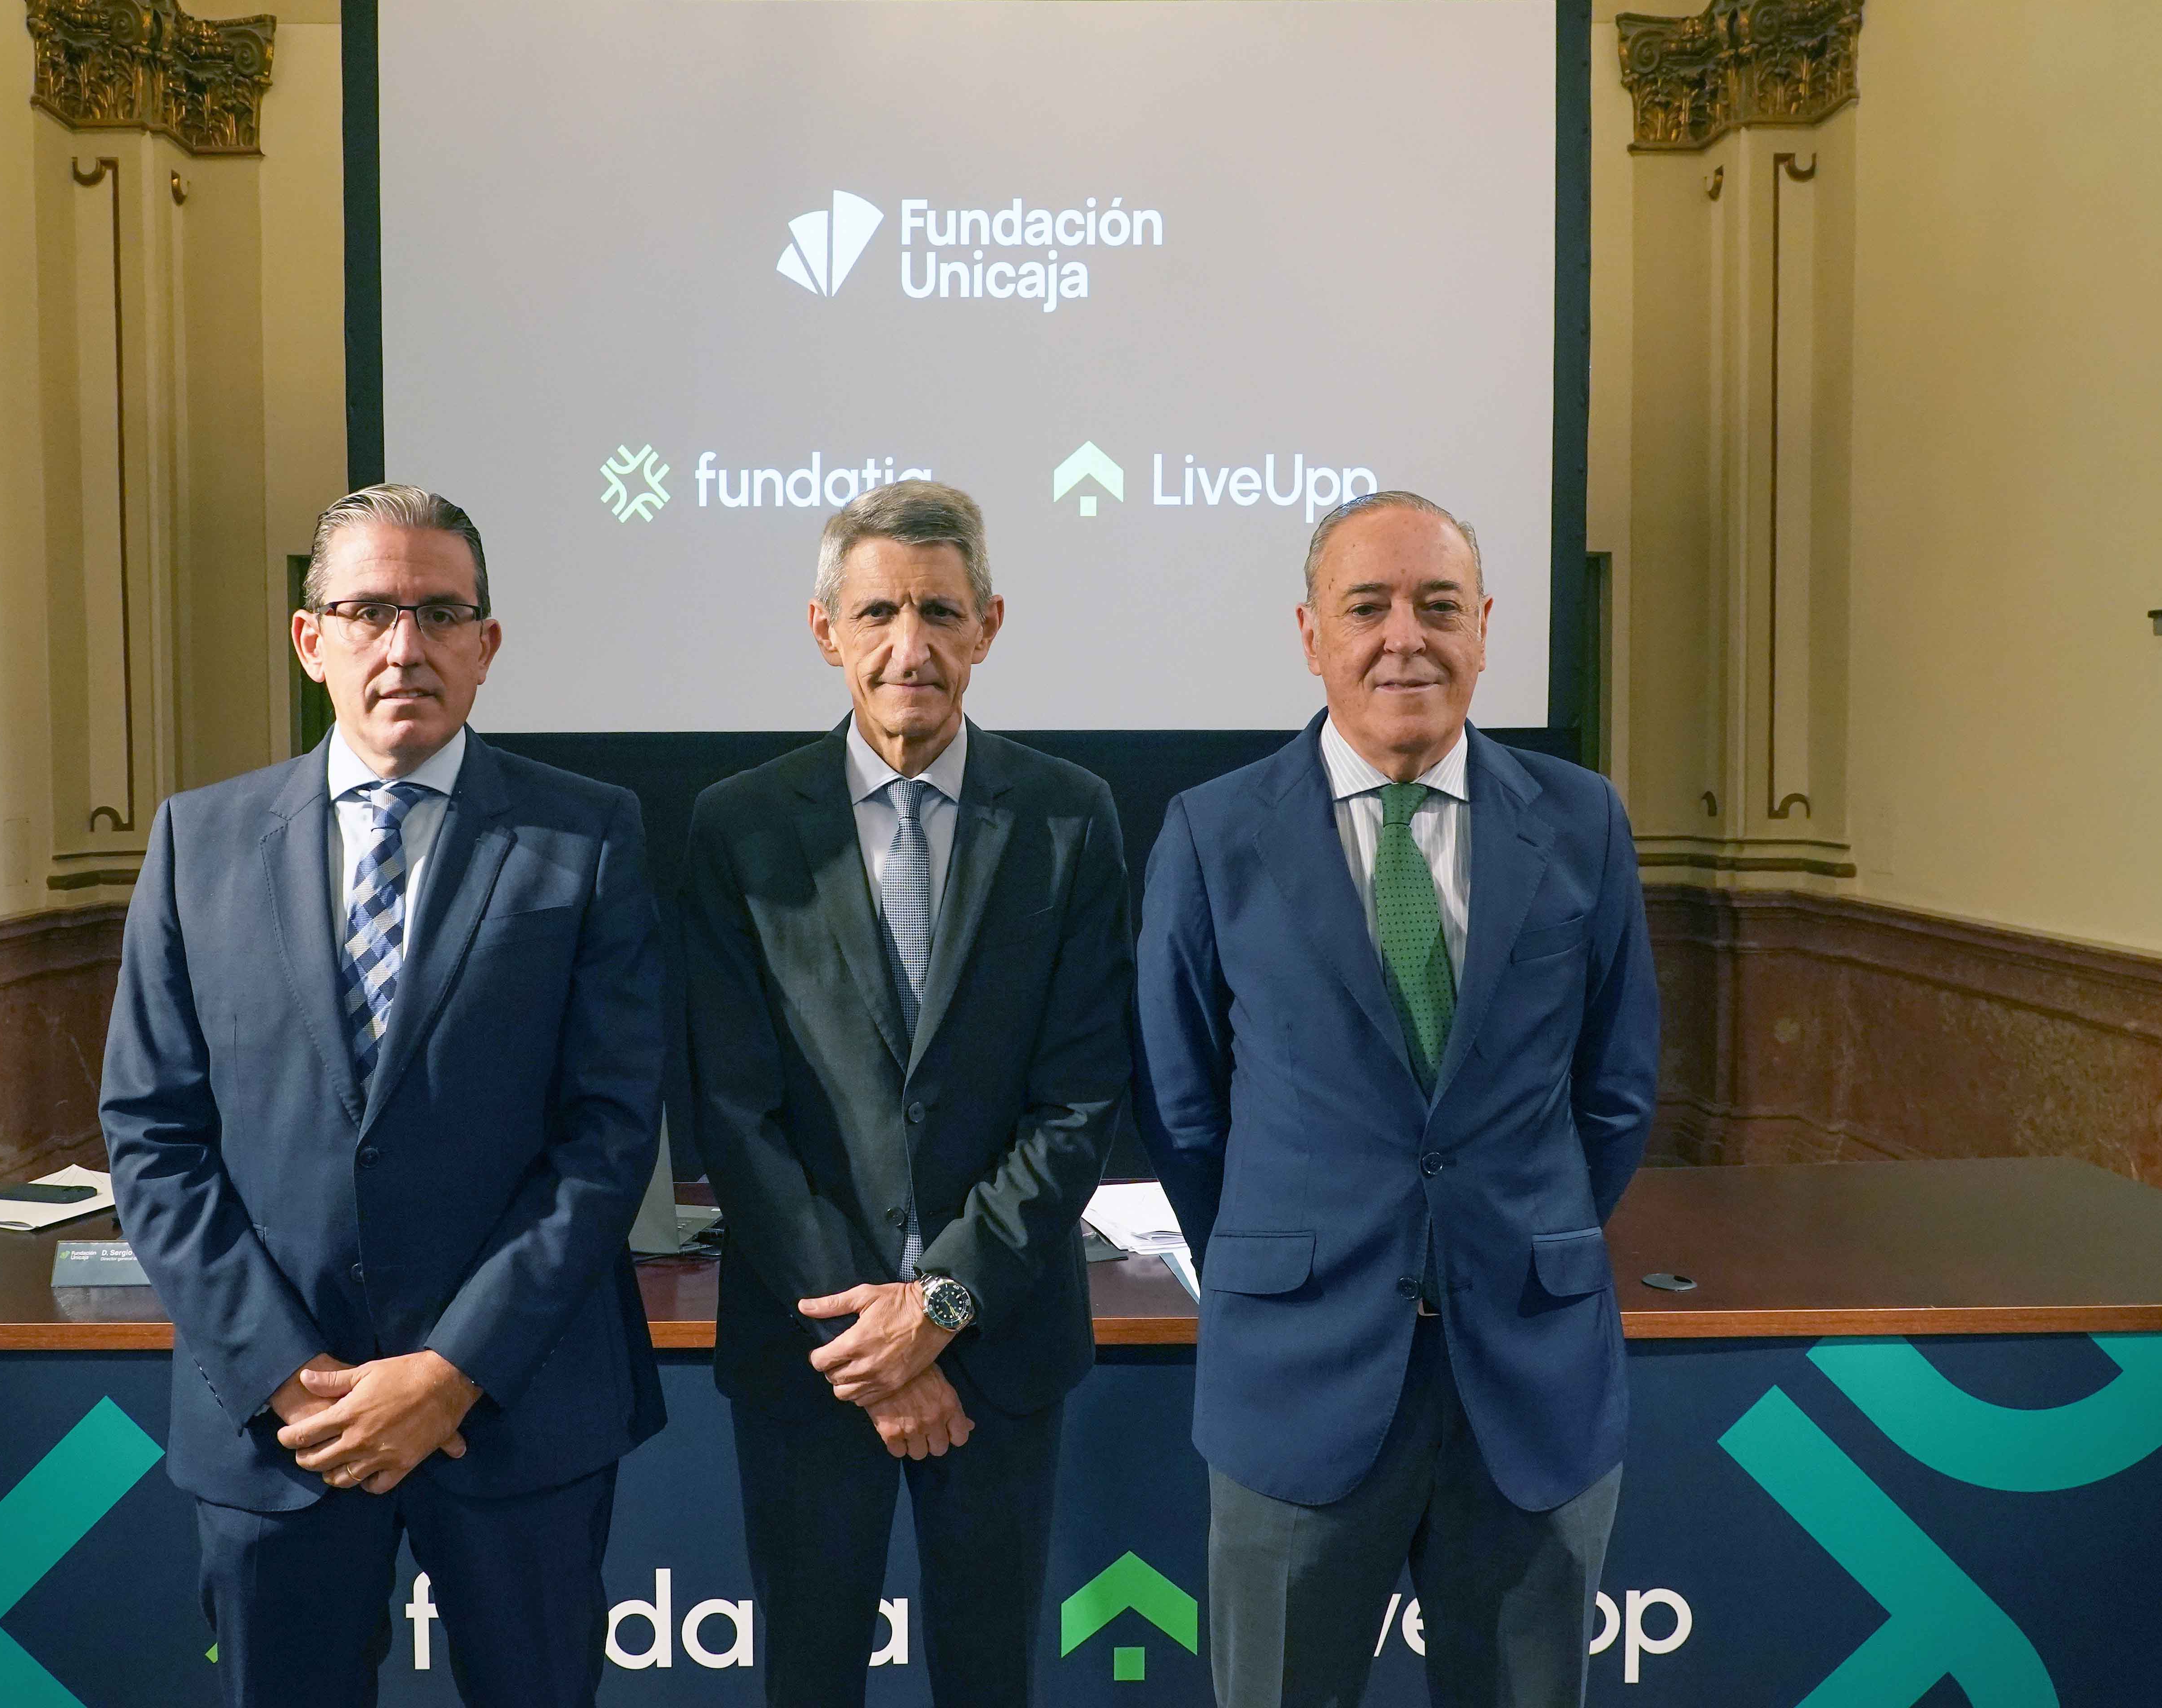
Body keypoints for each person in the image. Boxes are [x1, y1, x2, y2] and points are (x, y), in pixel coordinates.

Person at [99, 484, 667, 1708]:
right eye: (368, 611)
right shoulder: (199, 843)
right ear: (313, 641)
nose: (404, 646)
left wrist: (453, 1367)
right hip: (281, 1427)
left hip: (515, 1414)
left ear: (486, 643)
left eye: (438, 612)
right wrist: (282, 1369)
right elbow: (151, 1136)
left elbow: (609, 1135)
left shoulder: (590, 837)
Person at [1134, 492, 1657, 1708]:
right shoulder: (1215, 835)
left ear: (1487, 627)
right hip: (1297, 1373)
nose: (1402, 638)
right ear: (1312, 634)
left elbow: (1617, 1092)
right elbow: (1181, 1105)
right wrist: (1288, 1252)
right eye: (1367, 608)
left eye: (1437, 606)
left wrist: (1521, 1231)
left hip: (1530, 1375)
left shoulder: (1583, 825)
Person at [683, 480, 1132, 1707]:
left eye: (940, 611)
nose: (910, 645)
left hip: (1001, 1346)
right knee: (808, 1682)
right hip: (809, 1353)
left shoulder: (1068, 819)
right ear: (826, 629)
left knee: (991, 1681)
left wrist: (941, 1303)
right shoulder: (738, 829)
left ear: (989, 624)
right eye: (878, 611)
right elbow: (733, 1108)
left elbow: (1082, 1097)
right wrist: (872, 1341)